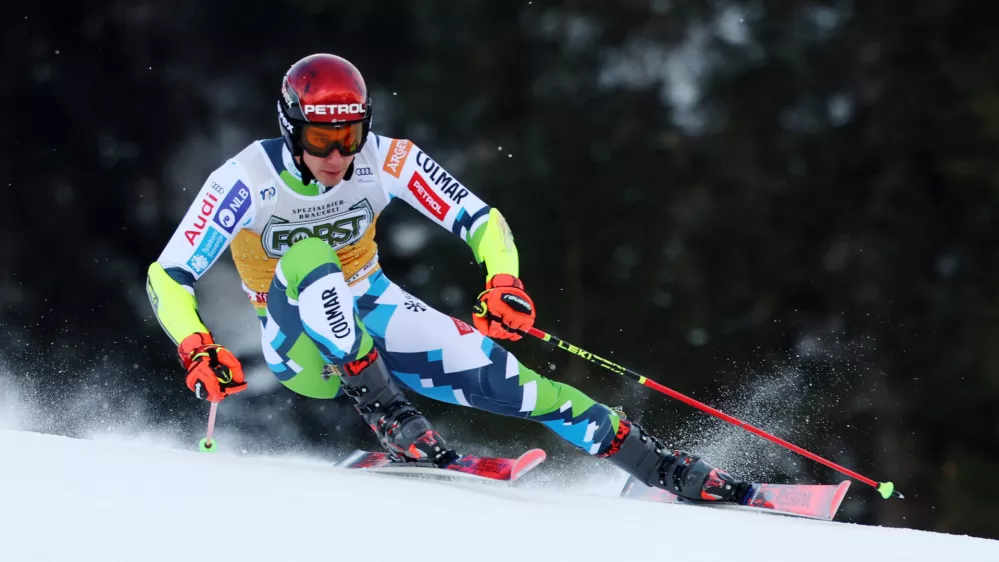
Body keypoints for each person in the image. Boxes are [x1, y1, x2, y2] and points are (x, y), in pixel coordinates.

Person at [145, 52, 748, 502]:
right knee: (306, 257)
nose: (336, 154)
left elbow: (481, 219)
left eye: (349, 135)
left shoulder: (384, 159)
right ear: (290, 128)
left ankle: (658, 467)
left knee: (526, 387)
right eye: (321, 137)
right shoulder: (246, 179)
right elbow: (167, 274)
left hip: (375, 307)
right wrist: (195, 343)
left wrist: (503, 281)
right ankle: (391, 416)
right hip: (300, 346)